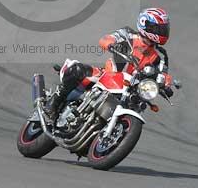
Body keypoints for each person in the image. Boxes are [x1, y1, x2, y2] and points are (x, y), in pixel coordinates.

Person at [44, 7, 174, 122]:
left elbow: (164, 74)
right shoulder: (128, 34)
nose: (162, 33)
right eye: (159, 29)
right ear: (145, 24)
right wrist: (111, 44)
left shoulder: (160, 56)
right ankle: (53, 103)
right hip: (109, 75)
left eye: (164, 29)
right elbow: (107, 39)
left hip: (132, 90)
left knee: (138, 105)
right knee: (78, 70)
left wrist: (166, 84)